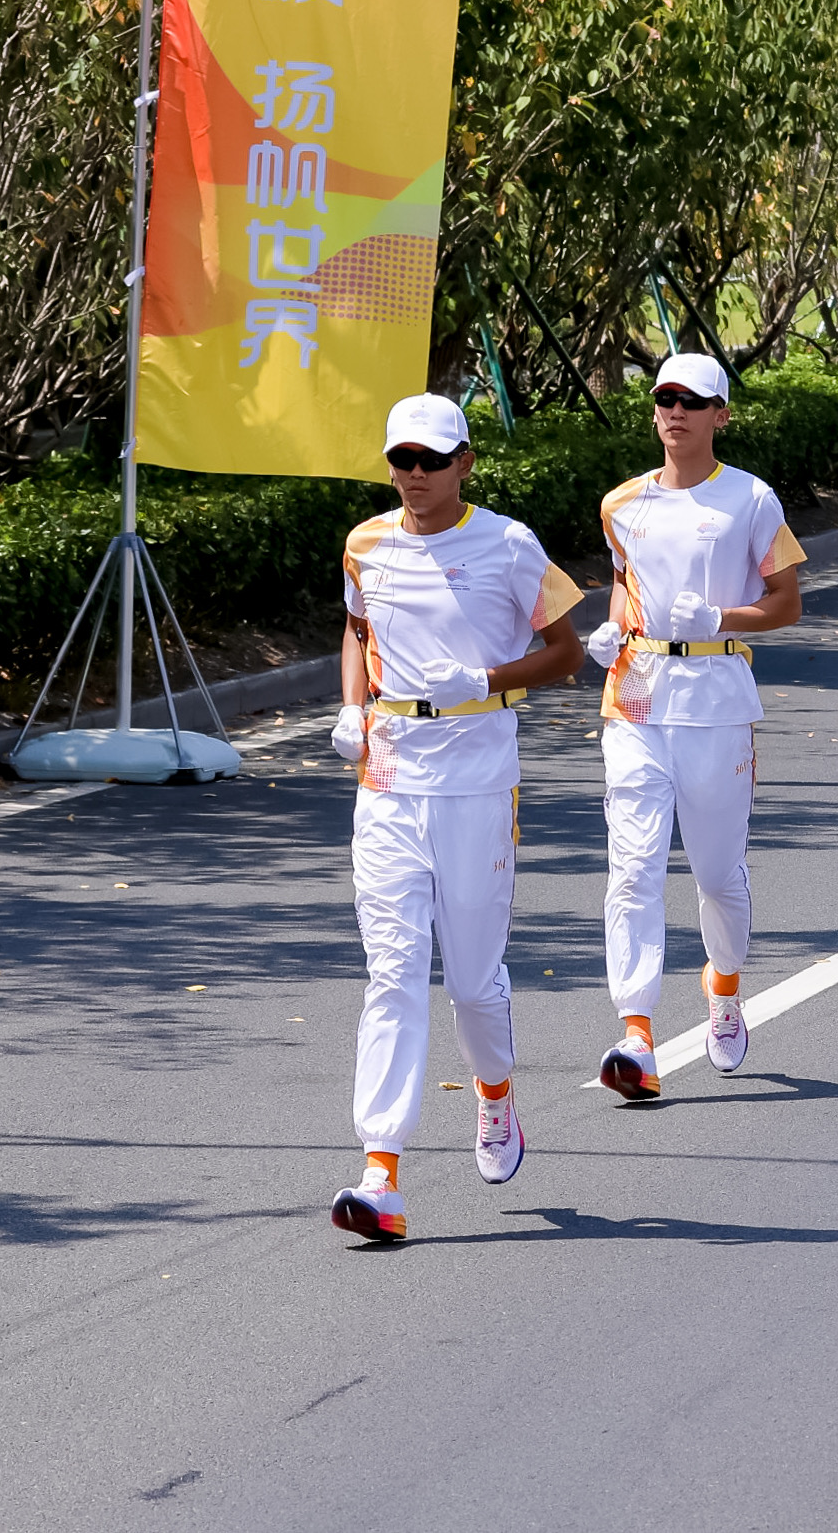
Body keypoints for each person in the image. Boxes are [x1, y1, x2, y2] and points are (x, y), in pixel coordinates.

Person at [327, 394, 586, 1241]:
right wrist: (353, 708)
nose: (413, 475)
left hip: (477, 775)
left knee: (473, 981)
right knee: (394, 971)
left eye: (431, 460)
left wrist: (486, 683)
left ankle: (496, 1093)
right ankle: (381, 1169)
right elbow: (356, 632)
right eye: (401, 459)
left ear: (465, 462)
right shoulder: (366, 542)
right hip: (391, 778)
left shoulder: (508, 544)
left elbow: (566, 653)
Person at [580, 354, 806, 1103]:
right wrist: (612, 633)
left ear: (721, 415)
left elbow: (785, 603)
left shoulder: (750, 500)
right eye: (664, 398)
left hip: (716, 697)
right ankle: (636, 1032)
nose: (675, 411)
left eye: (692, 401)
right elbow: (624, 584)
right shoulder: (622, 504)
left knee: (715, 872)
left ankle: (724, 986)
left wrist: (718, 618)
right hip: (636, 698)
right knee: (634, 866)